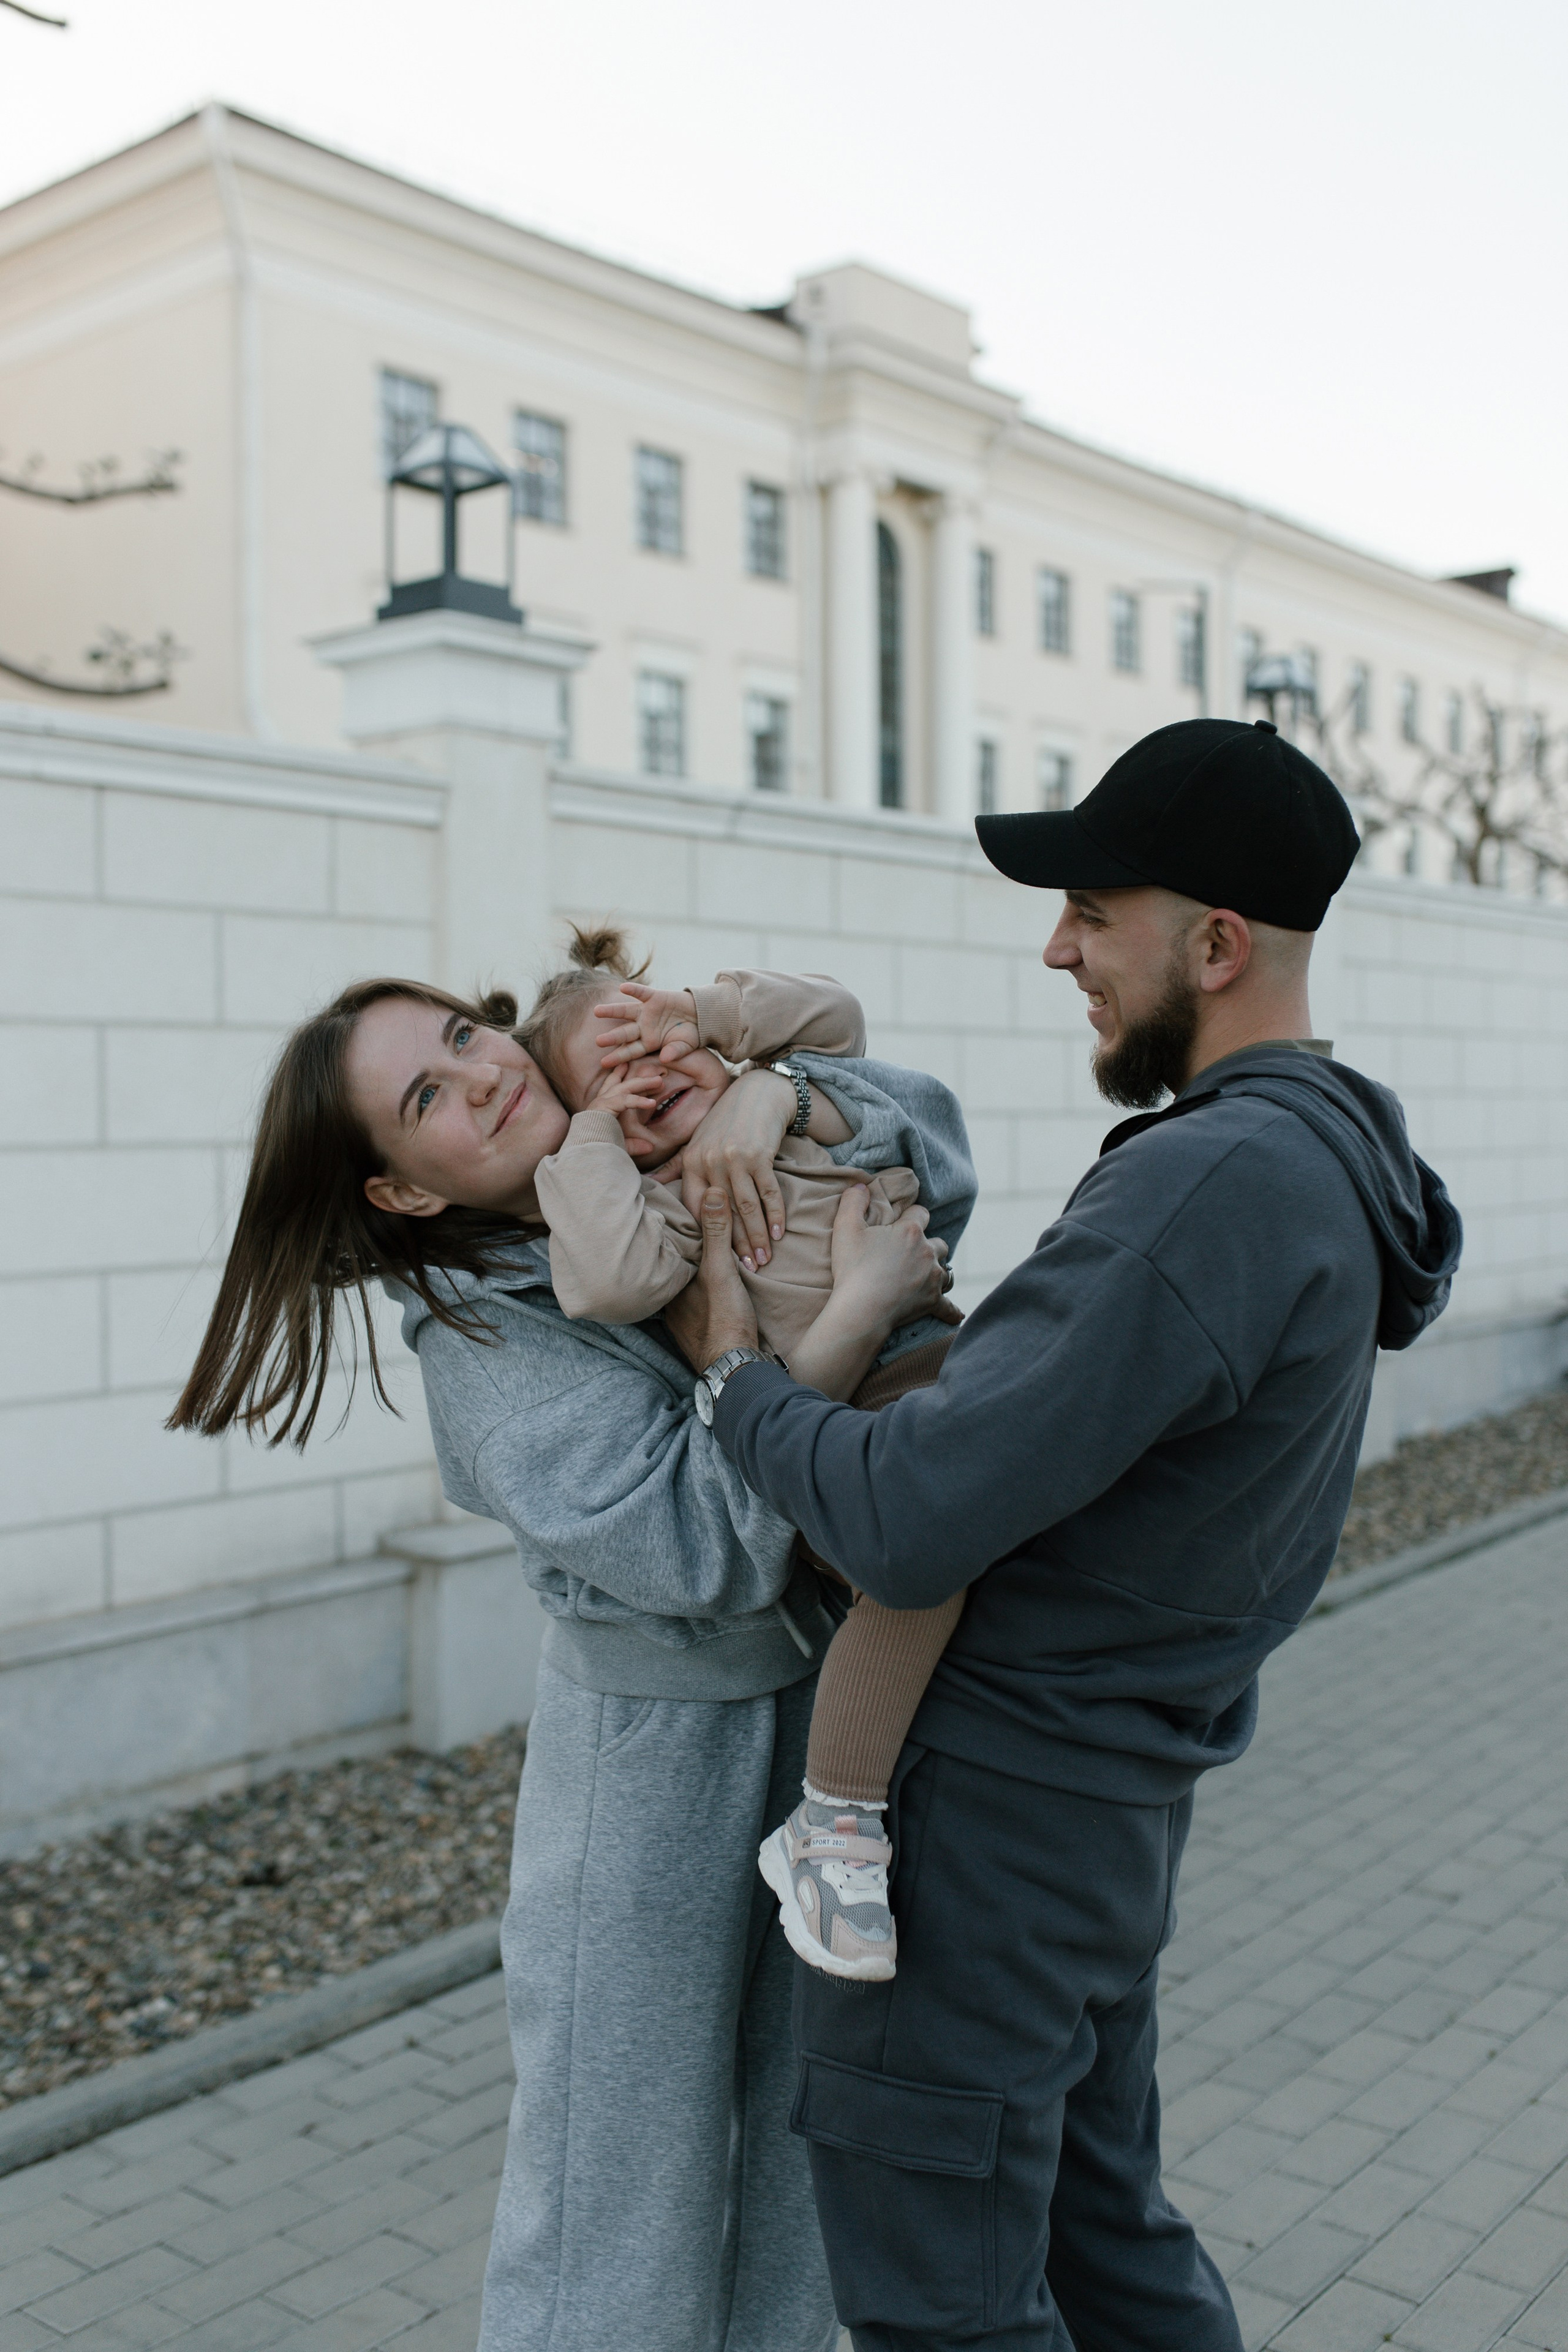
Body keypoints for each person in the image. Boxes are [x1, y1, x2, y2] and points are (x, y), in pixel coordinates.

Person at [673, 717, 1464, 2352]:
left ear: (1219, 943)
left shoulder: (1212, 1184)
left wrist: (734, 1372)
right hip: (1098, 1821)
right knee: (1106, 2249)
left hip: (982, 1835)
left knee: (946, 2307)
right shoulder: (1326, 1156)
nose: (1059, 949)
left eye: (1094, 912)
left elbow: (911, 1515)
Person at [168, 972, 949, 2352]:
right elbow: (707, 1547)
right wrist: (787, 1345)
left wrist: (771, 1095)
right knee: (614, 2208)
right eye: (426, 1098)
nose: (479, 1078)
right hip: (651, 1780)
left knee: (801, 2158)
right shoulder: (485, 1337)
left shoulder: (636, 1104)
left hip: (829, 1736)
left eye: (462, 1040)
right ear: (400, 1192)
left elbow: (927, 1148)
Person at [523, 929, 976, 1981]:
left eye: (655, 1041)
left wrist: (714, 1021)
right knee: (918, 1564)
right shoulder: (664, 1210)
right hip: (840, 1418)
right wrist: (590, 1143)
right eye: (609, 1077)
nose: (648, 1072)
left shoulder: (786, 1114)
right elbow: (603, 1282)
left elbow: (840, 1019)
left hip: (942, 1347)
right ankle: (835, 1821)